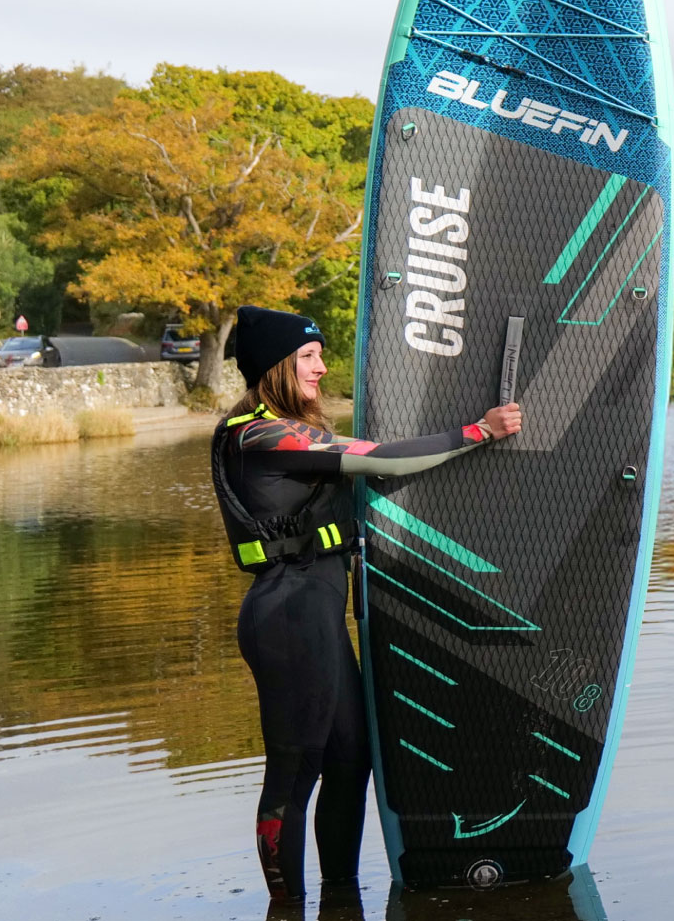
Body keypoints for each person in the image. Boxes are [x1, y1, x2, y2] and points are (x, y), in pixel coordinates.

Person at [210, 305, 521, 904]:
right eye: (308, 356)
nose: (321, 367)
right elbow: (381, 459)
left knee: (352, 761)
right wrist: (478, 431)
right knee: (294, 771)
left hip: (315, 612)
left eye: (319, 354)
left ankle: (341, 897)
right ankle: (286, 909)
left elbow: (372, 451)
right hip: (289, 615)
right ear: (275, 365)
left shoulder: (288, 432)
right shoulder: (260, 434)